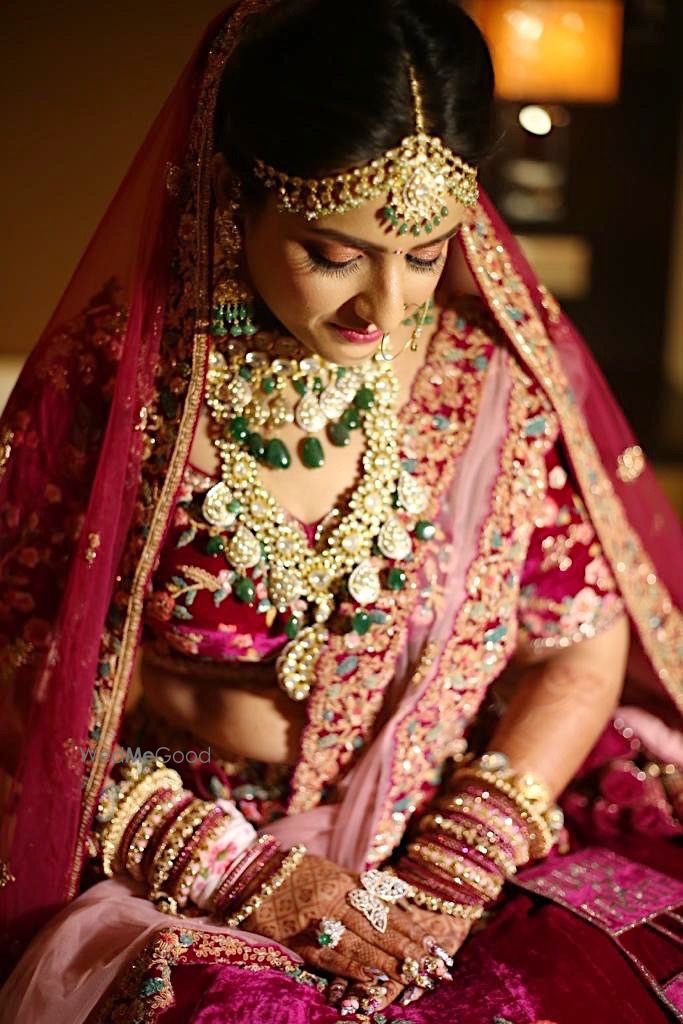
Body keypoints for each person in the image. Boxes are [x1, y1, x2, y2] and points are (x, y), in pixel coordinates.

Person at [0, 1, 681, 1021]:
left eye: (422, 253)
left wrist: (461, 856)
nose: (389, 307)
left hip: (445, 839)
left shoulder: (483, 380)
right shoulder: (124, 390)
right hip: (183, 857)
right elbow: (25, 692)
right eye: (334, 253)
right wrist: (236, 871)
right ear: (236, 197)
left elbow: (577, 644)